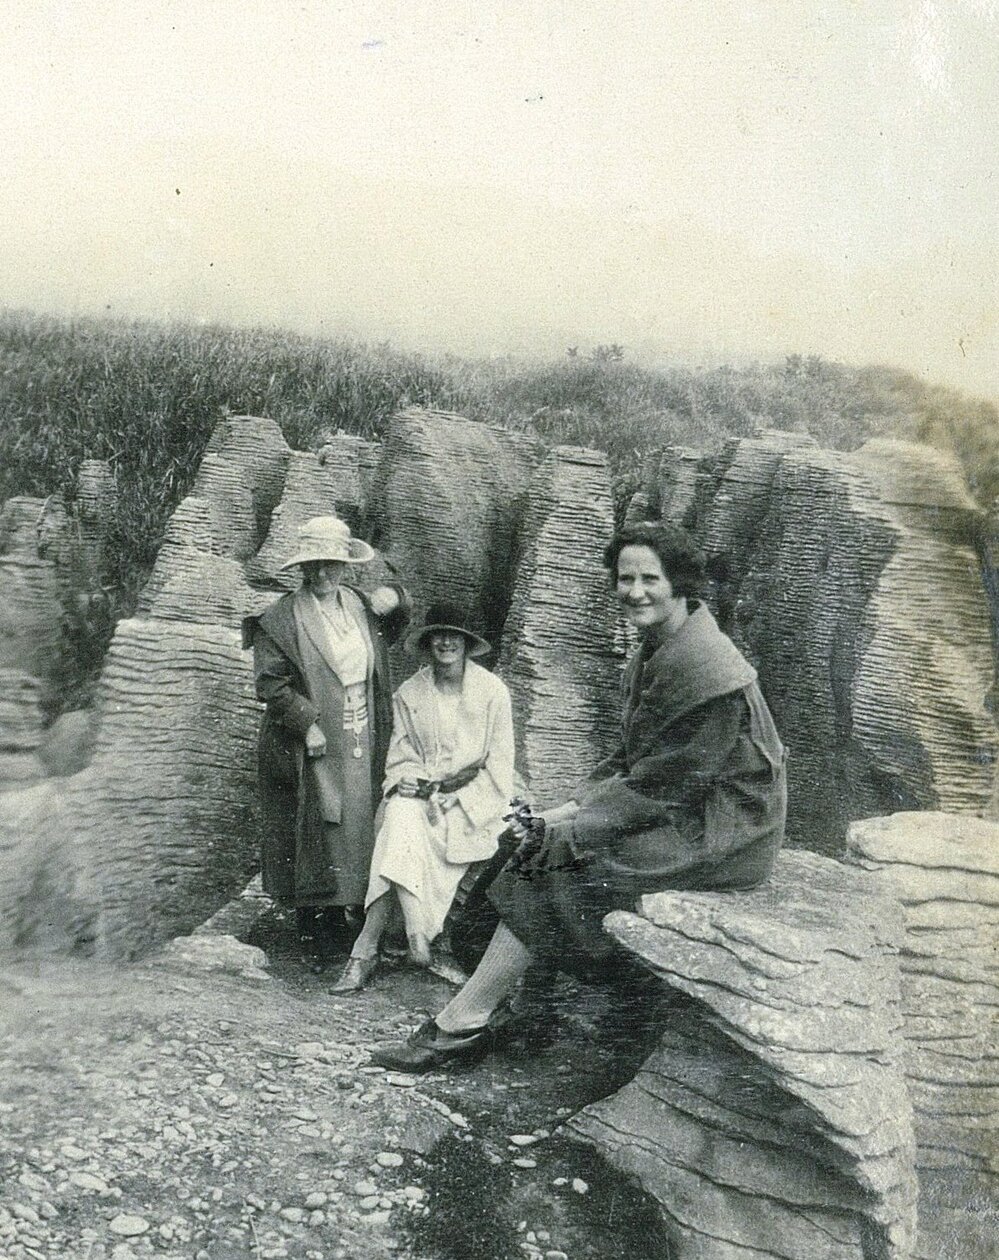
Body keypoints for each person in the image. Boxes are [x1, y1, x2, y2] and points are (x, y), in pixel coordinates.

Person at [371, 521, 787, 1071]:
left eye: (650, 579)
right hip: (680, 805)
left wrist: (575, 825)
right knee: (528, 848)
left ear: (681, 583)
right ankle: (526, 1011)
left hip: (724, 829)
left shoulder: (706, 665)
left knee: (559, 866)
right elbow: (633, 756)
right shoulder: (659, 647)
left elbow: (667, 783)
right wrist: (566, 808)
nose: (634, 591)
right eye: (624, 578)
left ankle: (462, 1023)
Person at [243, 516, 411, 960]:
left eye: (332, 566)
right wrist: (305, 722)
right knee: (319, 818)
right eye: (314, 566)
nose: (323, 575)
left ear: (346, 567)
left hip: (361, 725)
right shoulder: (281, 618)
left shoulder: (357, 605)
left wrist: (394, 600)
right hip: (312, 735)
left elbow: (394, 629)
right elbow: (270, 683)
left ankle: (352, 914)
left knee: (358, 817)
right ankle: (317, 927)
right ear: (302, 567)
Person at [331, 603, 515, 992]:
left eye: (454, 635)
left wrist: (458, 798)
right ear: (429, 643)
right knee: (400, 811)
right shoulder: (410, 693)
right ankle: (417, 933)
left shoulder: (492, 692)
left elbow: (500, 766)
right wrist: (409, 783)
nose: (446, 642)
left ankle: (366, 947)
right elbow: (400, 759)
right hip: (421, 798)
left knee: (398, 829)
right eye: (438, 635)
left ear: (466, 643)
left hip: (472, 803)